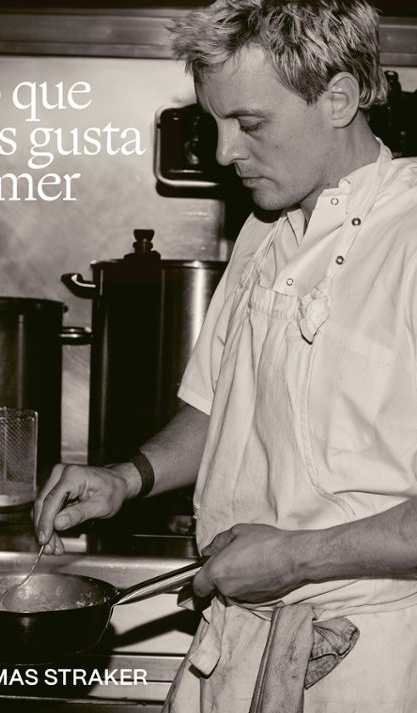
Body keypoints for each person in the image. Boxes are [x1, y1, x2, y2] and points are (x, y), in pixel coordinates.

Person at [34, 1, 417, 710]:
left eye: (250, 123)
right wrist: (128, 477)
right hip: (233, 645)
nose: (223, 153)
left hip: (371, 667)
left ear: (338, 99)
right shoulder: (264, 229)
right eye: (215, 122)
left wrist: (295, 556)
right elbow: (218, 407)